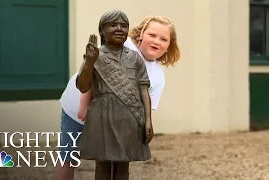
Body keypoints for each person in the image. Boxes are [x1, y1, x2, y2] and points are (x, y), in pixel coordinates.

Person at [54, 14, 180, 180]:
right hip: (78, 106)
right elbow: (93, 74)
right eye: (152, 35)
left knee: (117, 159)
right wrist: (84, 106)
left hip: (114, 119)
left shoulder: (158, 76)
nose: (157, 41)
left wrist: (146, 124)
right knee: (68, 155)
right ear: (141, 34)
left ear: (169, 46)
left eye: (164, 39)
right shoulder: (121, 43)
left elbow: (143, 103)